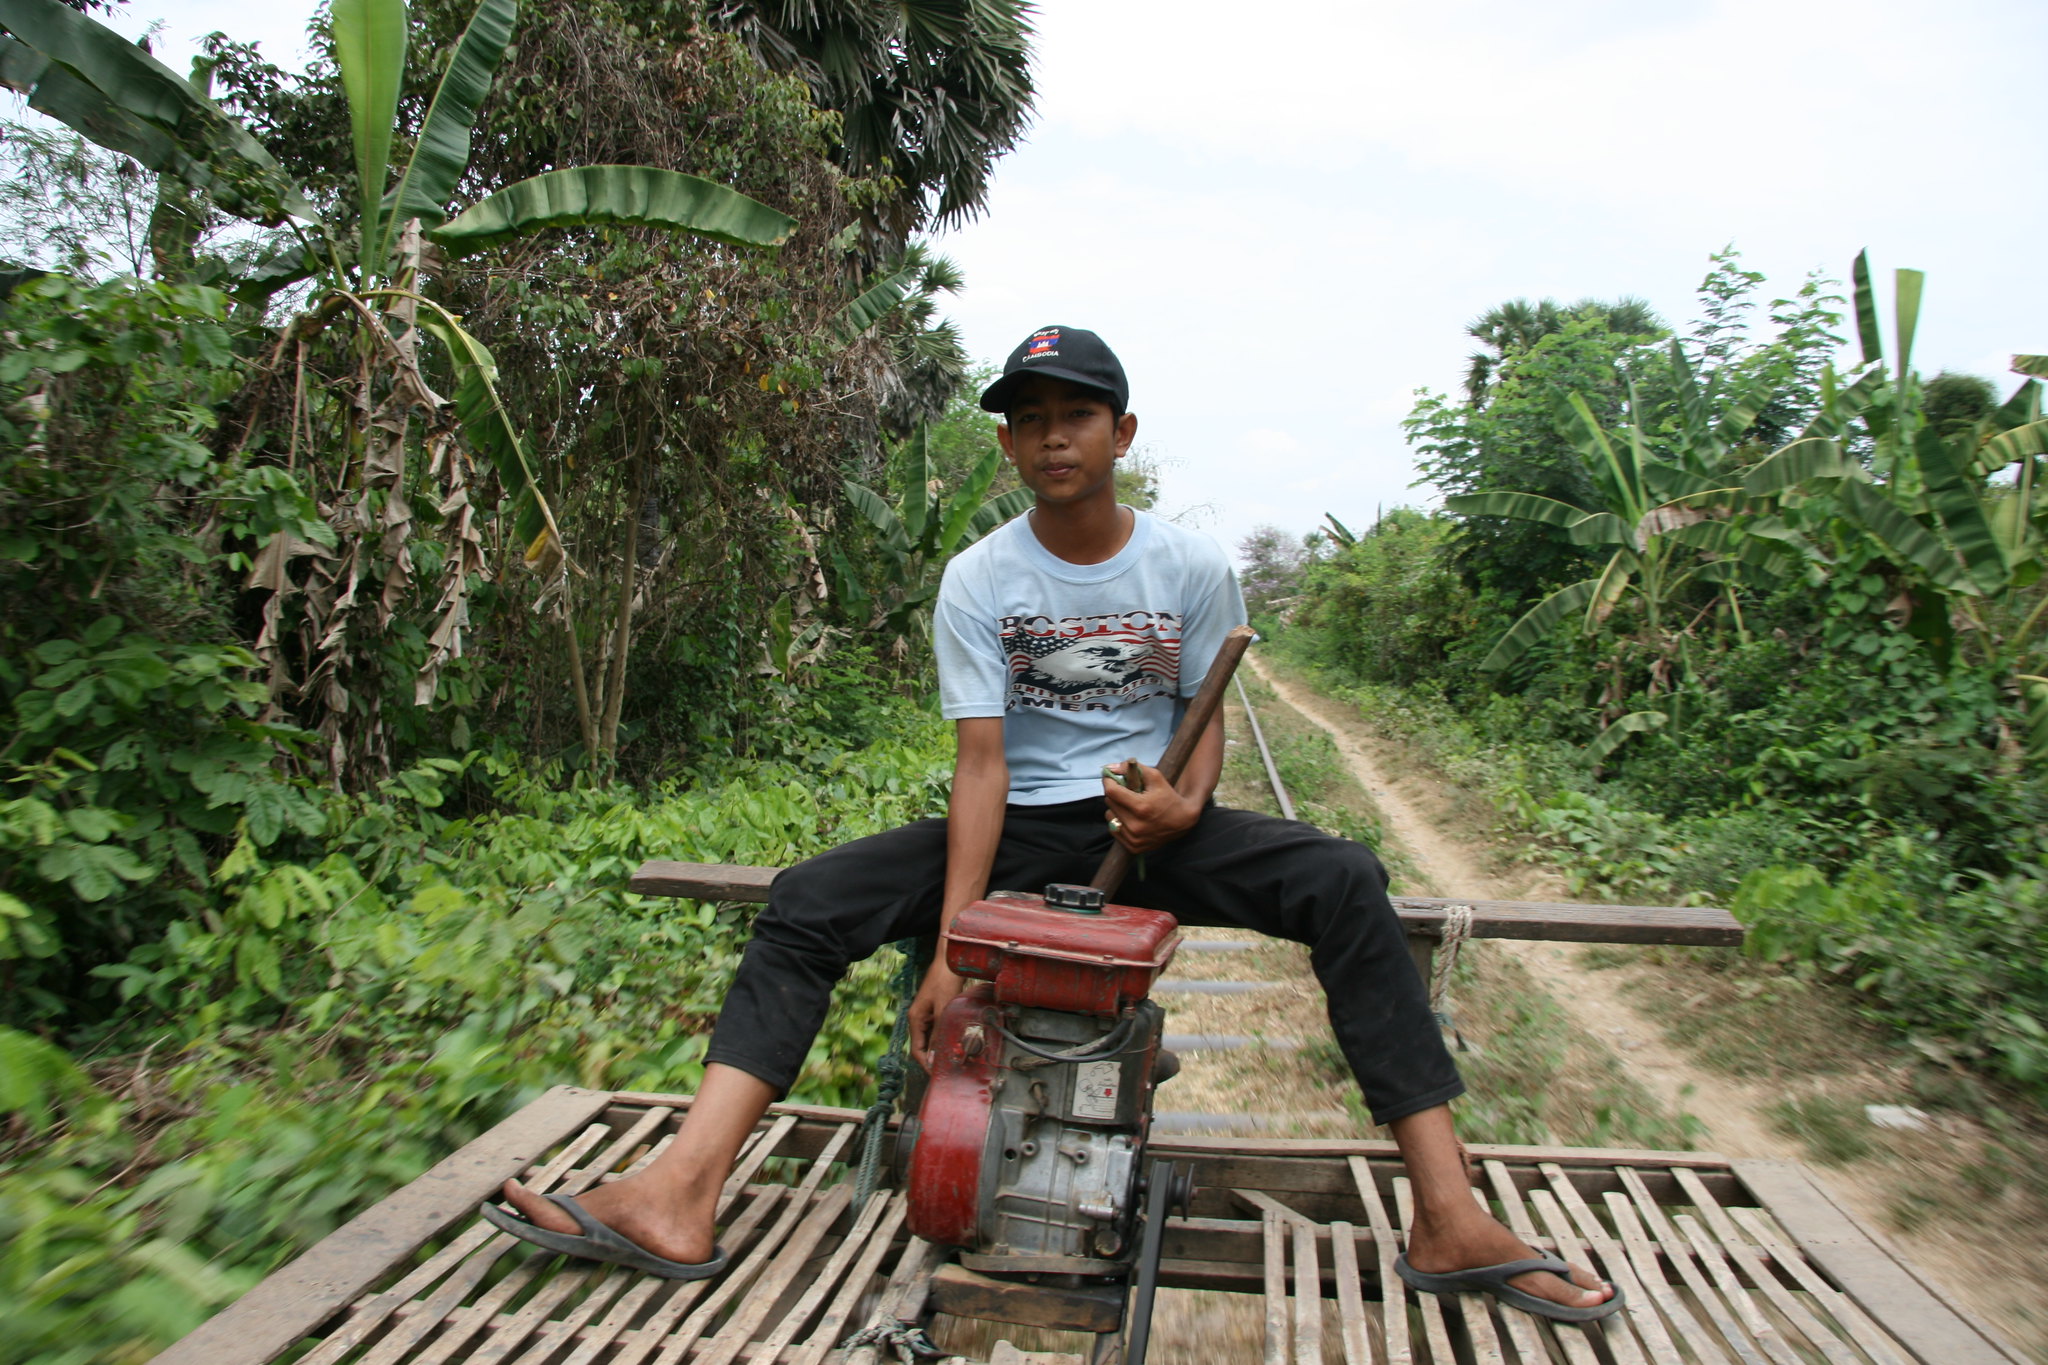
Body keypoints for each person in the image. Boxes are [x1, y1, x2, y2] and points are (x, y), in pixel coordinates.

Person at [485, 325, 1621, 1323]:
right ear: (1006, 444)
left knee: (1343, 878)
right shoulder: (981, 576)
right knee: (808, 901)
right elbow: (981, 765)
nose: (1052, 437)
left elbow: (1204, 714)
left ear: (1121, 432)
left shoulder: (1188, 565)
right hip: (1024, 825)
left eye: (1075, 415)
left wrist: (1183, 806)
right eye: (1028, 420)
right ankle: (681, 1191)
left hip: (1153, 824)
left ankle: (1446, 1214)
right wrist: (953, 942)